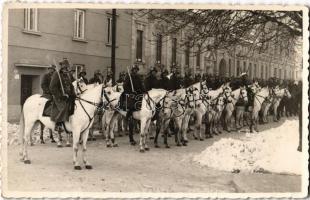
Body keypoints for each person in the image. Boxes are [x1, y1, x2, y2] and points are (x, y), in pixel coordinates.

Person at [49, 59, 76, 132]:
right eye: (65, 68)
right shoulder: (56, 74)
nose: (66, 69)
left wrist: (73, 94)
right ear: (61, 67)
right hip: (59, 97)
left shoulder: (68, 75)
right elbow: (52, 87)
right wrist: (61, 95)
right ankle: (58, 124)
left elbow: (71, 85)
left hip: (68, 96)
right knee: (64, 107)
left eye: (67, 68)